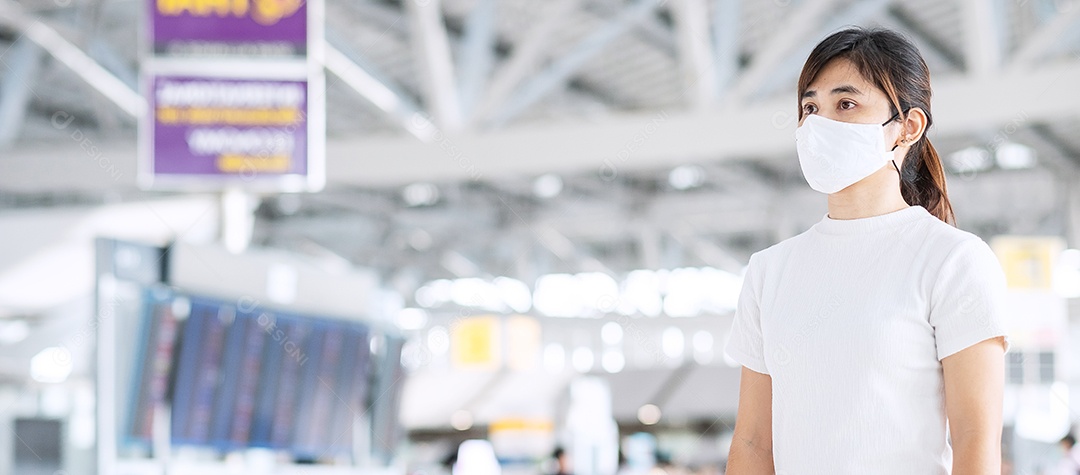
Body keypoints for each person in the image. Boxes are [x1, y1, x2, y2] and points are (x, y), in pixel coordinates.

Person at [723, 27, 1010, 474]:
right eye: (810, 107)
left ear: (907, 127)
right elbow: (754, 443)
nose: (819, 123)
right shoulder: (769, 271)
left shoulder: (952, 261)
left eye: (847, 104)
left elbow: (975, 440)